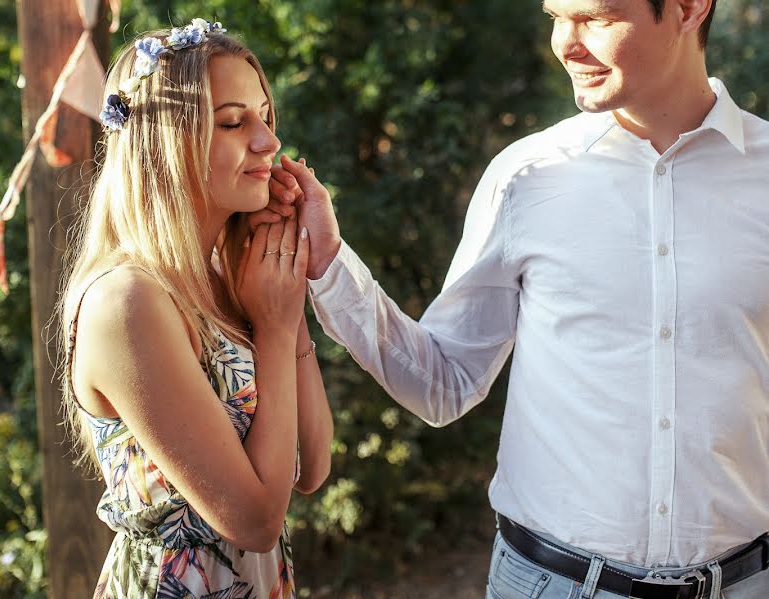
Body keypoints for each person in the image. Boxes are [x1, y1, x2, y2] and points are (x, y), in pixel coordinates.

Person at [261, 1, 769, 597]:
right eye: (557, 14)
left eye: (595, 18)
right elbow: (443, 383)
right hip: (550, 585)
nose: (565, 44)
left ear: (687, 9)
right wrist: (329, 264)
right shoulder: (527, 176)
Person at [56, 19, 332, 598]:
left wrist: (285, 291)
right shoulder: (127, 302)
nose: (268, 142)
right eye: (234, 122)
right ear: (164, 143)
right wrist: (276, 332)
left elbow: (314, 468)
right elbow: (256, 522)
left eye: (265, 117)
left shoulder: (220, 276)